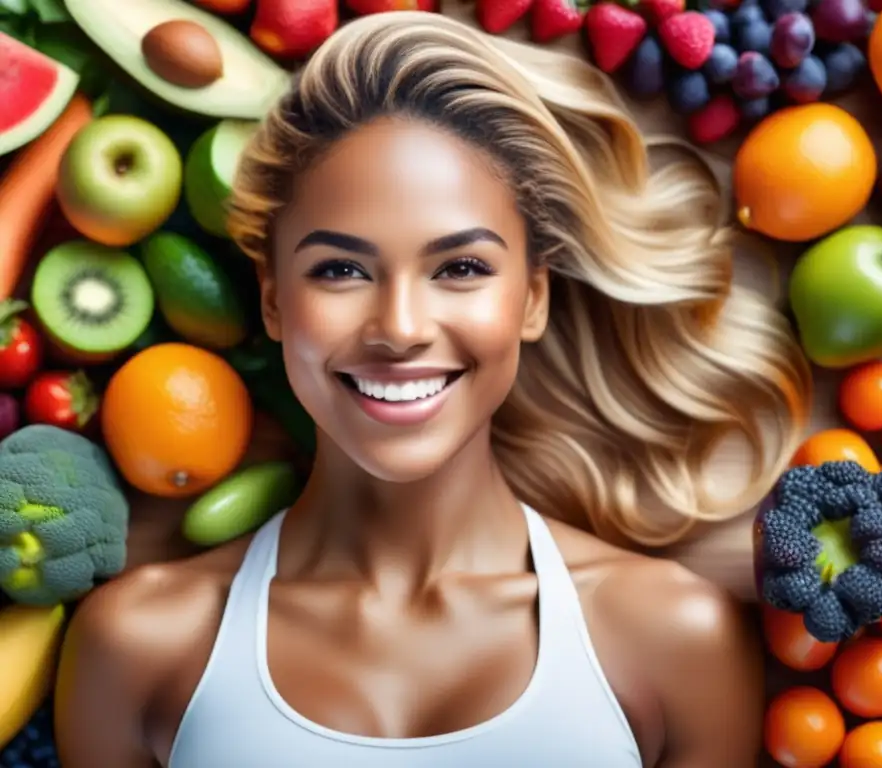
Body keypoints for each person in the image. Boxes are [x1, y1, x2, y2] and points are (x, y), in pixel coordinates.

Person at [54, 11, 811, 768]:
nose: (401, 326)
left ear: (534, 298)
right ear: (274, 300)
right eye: (340, 270)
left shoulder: (675, 640)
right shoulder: (136, 646)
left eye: (461, 268)